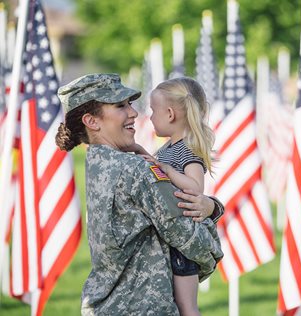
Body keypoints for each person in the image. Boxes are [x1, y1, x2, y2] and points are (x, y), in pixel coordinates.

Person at [55, 73, 223, 315]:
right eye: (121, 106)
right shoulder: (137, 170)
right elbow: (192, 241)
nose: (133, 112)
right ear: (92, 121)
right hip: (144, 306)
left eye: (130, 104)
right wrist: (213, 209)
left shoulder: (96, 162)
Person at [132, 77, 215, 316]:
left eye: (152, 111)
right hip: (173, 239)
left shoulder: (187, 148)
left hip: (184, 244)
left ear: (170, 114)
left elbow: (196, 186)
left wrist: (167, 170)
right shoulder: (169, 147)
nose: (149, 117)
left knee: (187, 308)